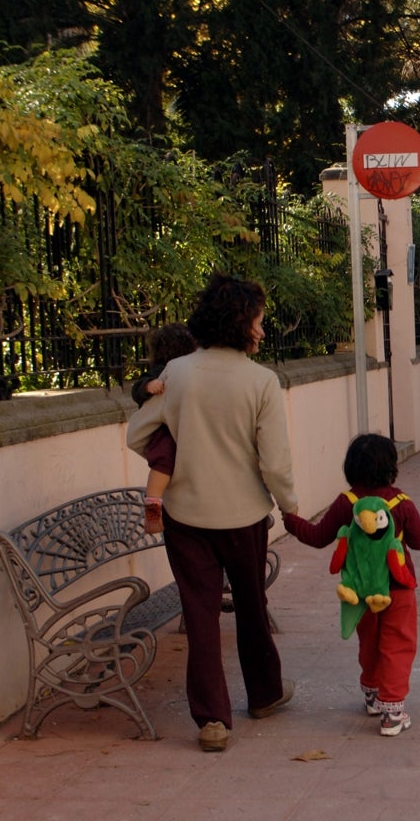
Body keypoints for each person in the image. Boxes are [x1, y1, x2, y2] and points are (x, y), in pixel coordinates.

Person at [126, 272, 299, 752]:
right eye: (260, 323)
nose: (263, 332)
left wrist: (174, 456)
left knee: (200, 615)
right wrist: (291, 507)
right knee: (251, 607)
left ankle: (212, 722)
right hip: (243, 517)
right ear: (241, 323)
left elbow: (137, 434)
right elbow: (275, 460)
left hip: (185, 517)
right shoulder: (262, 381)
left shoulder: (177, 372)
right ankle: (264, 694)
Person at [284, 433, 420, 737]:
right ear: (391, 466)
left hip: (360, 593)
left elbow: (317, 537)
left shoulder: (347, 503)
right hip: (398, 589)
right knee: (397, 644)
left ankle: (373, 693)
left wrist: (291, 520)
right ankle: (392, 712)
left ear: (350, 467)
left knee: (371, 641)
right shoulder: (401, 503)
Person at [130, 323, 196, 534]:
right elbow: (137, 388)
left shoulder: (192, 371)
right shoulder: (161, 371)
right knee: (163, 461)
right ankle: (153, 506)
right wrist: (149, 386)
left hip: (184, 428)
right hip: (164, 430)